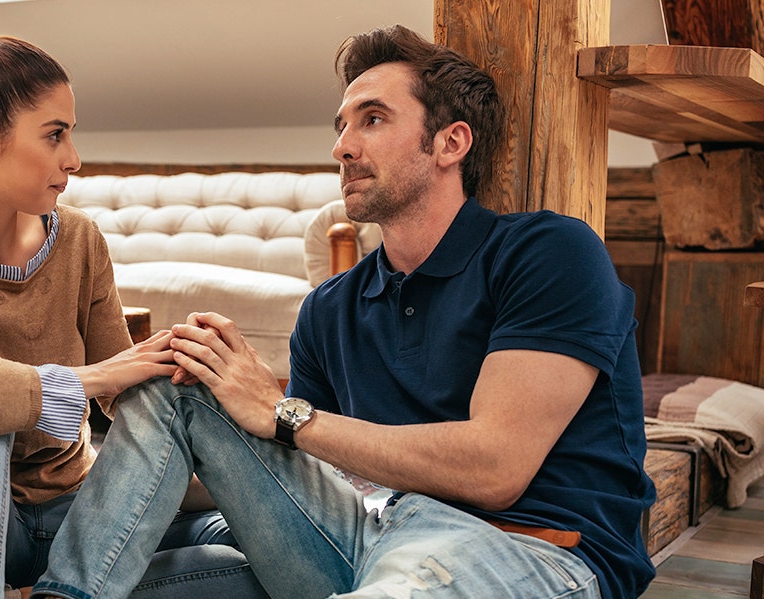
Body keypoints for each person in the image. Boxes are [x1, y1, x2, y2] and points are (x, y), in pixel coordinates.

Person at [32, 24, 656, 599]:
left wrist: (280, 413)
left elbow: (496, 469)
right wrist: (136, 469)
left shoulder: (549, 253)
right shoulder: (331, 308)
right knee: (183, 385)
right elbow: (298, 465)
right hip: (361, 531)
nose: (341, 148)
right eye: (341, 126)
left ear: (449, 142)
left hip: (523, 546)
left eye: (373, 120)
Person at [0, 15, 268, 599]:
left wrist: (189, 386)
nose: (74, 158)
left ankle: (39, 595)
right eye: (55, 135)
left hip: (69, 517)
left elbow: (122, 396)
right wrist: (92, 377)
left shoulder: (79, 241)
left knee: (255, 555)